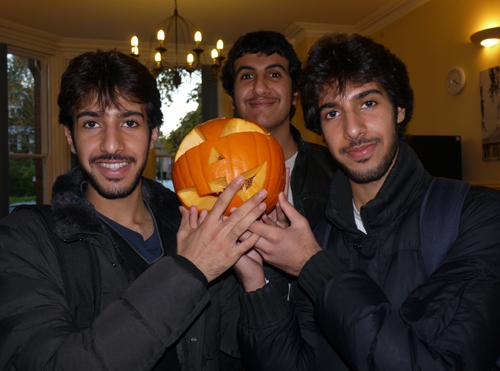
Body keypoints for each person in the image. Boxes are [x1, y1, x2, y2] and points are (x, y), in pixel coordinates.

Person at [236, 33, 500, 370]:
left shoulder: (477, 217)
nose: (353, 130)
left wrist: (314, 268)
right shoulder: (318, 236)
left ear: (399, 109)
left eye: (368, 103)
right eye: (332, 113)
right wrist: (257, 284)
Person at [0, 50, 268, 370]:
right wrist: (188, 272)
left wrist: (257, 286)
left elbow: (243, 354)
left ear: (152, 134)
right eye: (91, 123)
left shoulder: (196, 228)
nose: (111, 145)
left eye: (129, 122)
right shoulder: (26, 239)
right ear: (71, 137)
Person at [220, 30, 336, 230]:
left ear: (294, 94)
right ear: (232, 98)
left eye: (274, 74)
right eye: (247, 76)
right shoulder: (211, 174)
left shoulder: (335, 171)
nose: (260, 88)